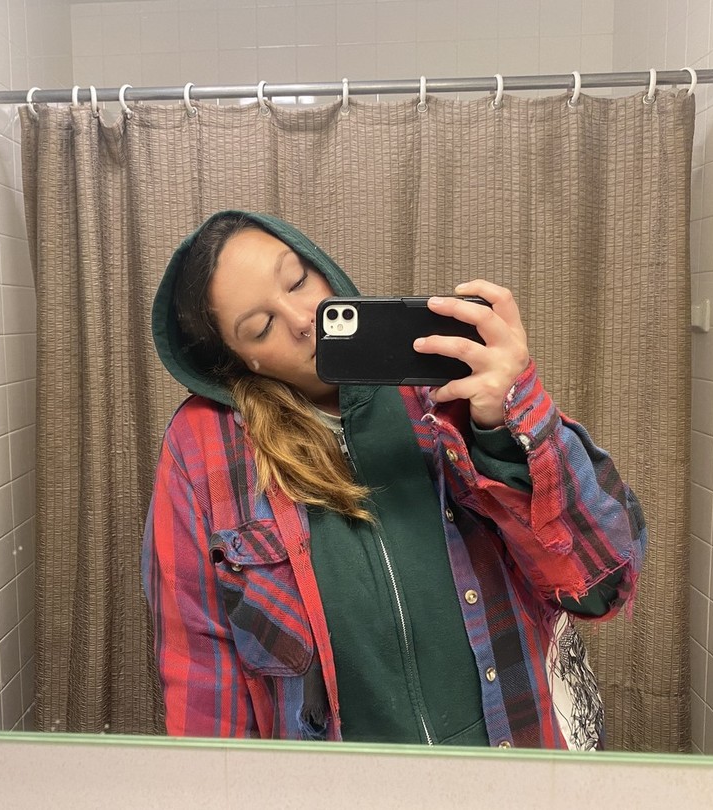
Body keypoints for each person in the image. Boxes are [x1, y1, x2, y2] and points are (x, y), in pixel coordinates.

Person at [142, 210, 647, 749]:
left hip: (516, 761)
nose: (301, 319)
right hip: (341, 783)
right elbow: (202, 677)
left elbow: (604, 586)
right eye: (261, 327)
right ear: (243, 362)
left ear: (322, 268)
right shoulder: (202, 449)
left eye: (297, 281)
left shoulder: (443, 385)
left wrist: (513, 419)